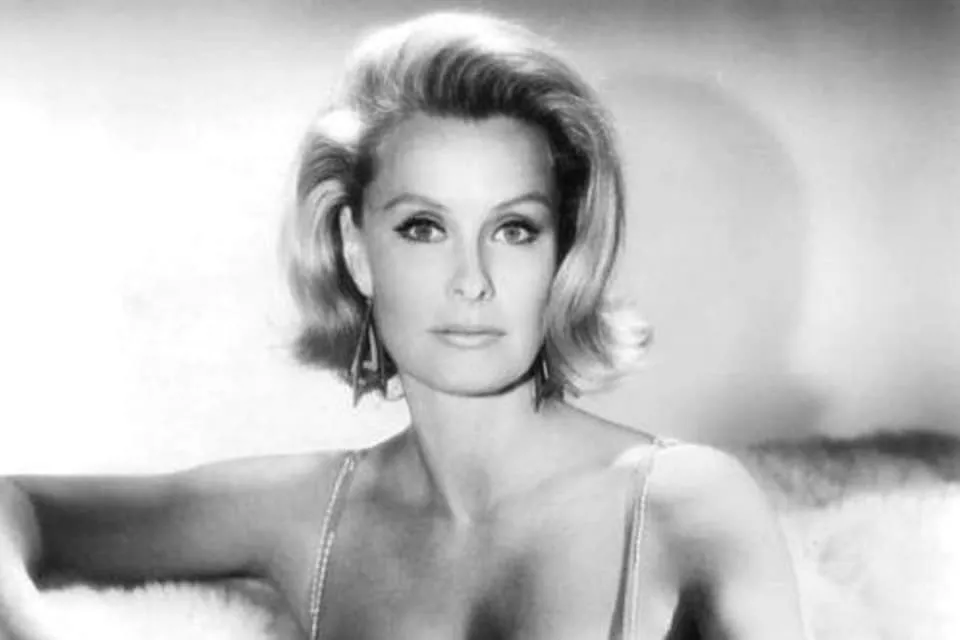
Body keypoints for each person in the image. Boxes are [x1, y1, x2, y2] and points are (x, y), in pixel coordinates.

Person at [0, 12, 807, 640]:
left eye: (514, 229)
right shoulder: (304, 511)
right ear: (358, 251)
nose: (472, 279)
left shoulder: (685, 502)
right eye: (424, 227)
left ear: (561, 252)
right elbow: (15, 504)